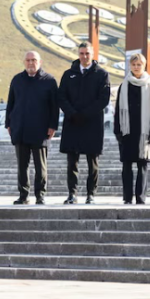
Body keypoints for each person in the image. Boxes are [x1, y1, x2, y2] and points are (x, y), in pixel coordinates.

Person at [58, 41, 111, 205]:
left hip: (92, 124)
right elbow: (61, 97)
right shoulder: (68, 74)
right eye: (81, 53)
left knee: (92, 162)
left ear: (92, 54)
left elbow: (104, 99)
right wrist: (73, 113)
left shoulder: (102, 74)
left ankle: (91, 194)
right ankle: (72, 194)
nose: (84, 56)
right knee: (72, 162)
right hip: (72, 123)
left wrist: (85, 114)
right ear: (78, 54)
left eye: (87, 53)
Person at [6, 51, 59, 205]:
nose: (31, 63)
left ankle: (40, 195)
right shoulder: (17, 80)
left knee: (40, 166)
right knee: (22, 166)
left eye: (34, 60)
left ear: (40, 62)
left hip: (40, 130)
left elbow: (54, 107)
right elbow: (10, 103)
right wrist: (8, 123)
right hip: (20, 129)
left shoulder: (49, 81)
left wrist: (52, 126)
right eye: (28, 60)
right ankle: (23, 195)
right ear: (24, 62)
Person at [113, 53, 150, 205]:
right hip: (127, 131)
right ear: (129, 66)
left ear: (144, 66)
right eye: (134, 64)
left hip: (144, 131)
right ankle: (127, 197)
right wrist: (117, 130)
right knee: (126, 166)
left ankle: (141, 197)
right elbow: (118, 109)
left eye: (139, 64)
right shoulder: (124, 85)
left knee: (142, 165)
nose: (136, 67)